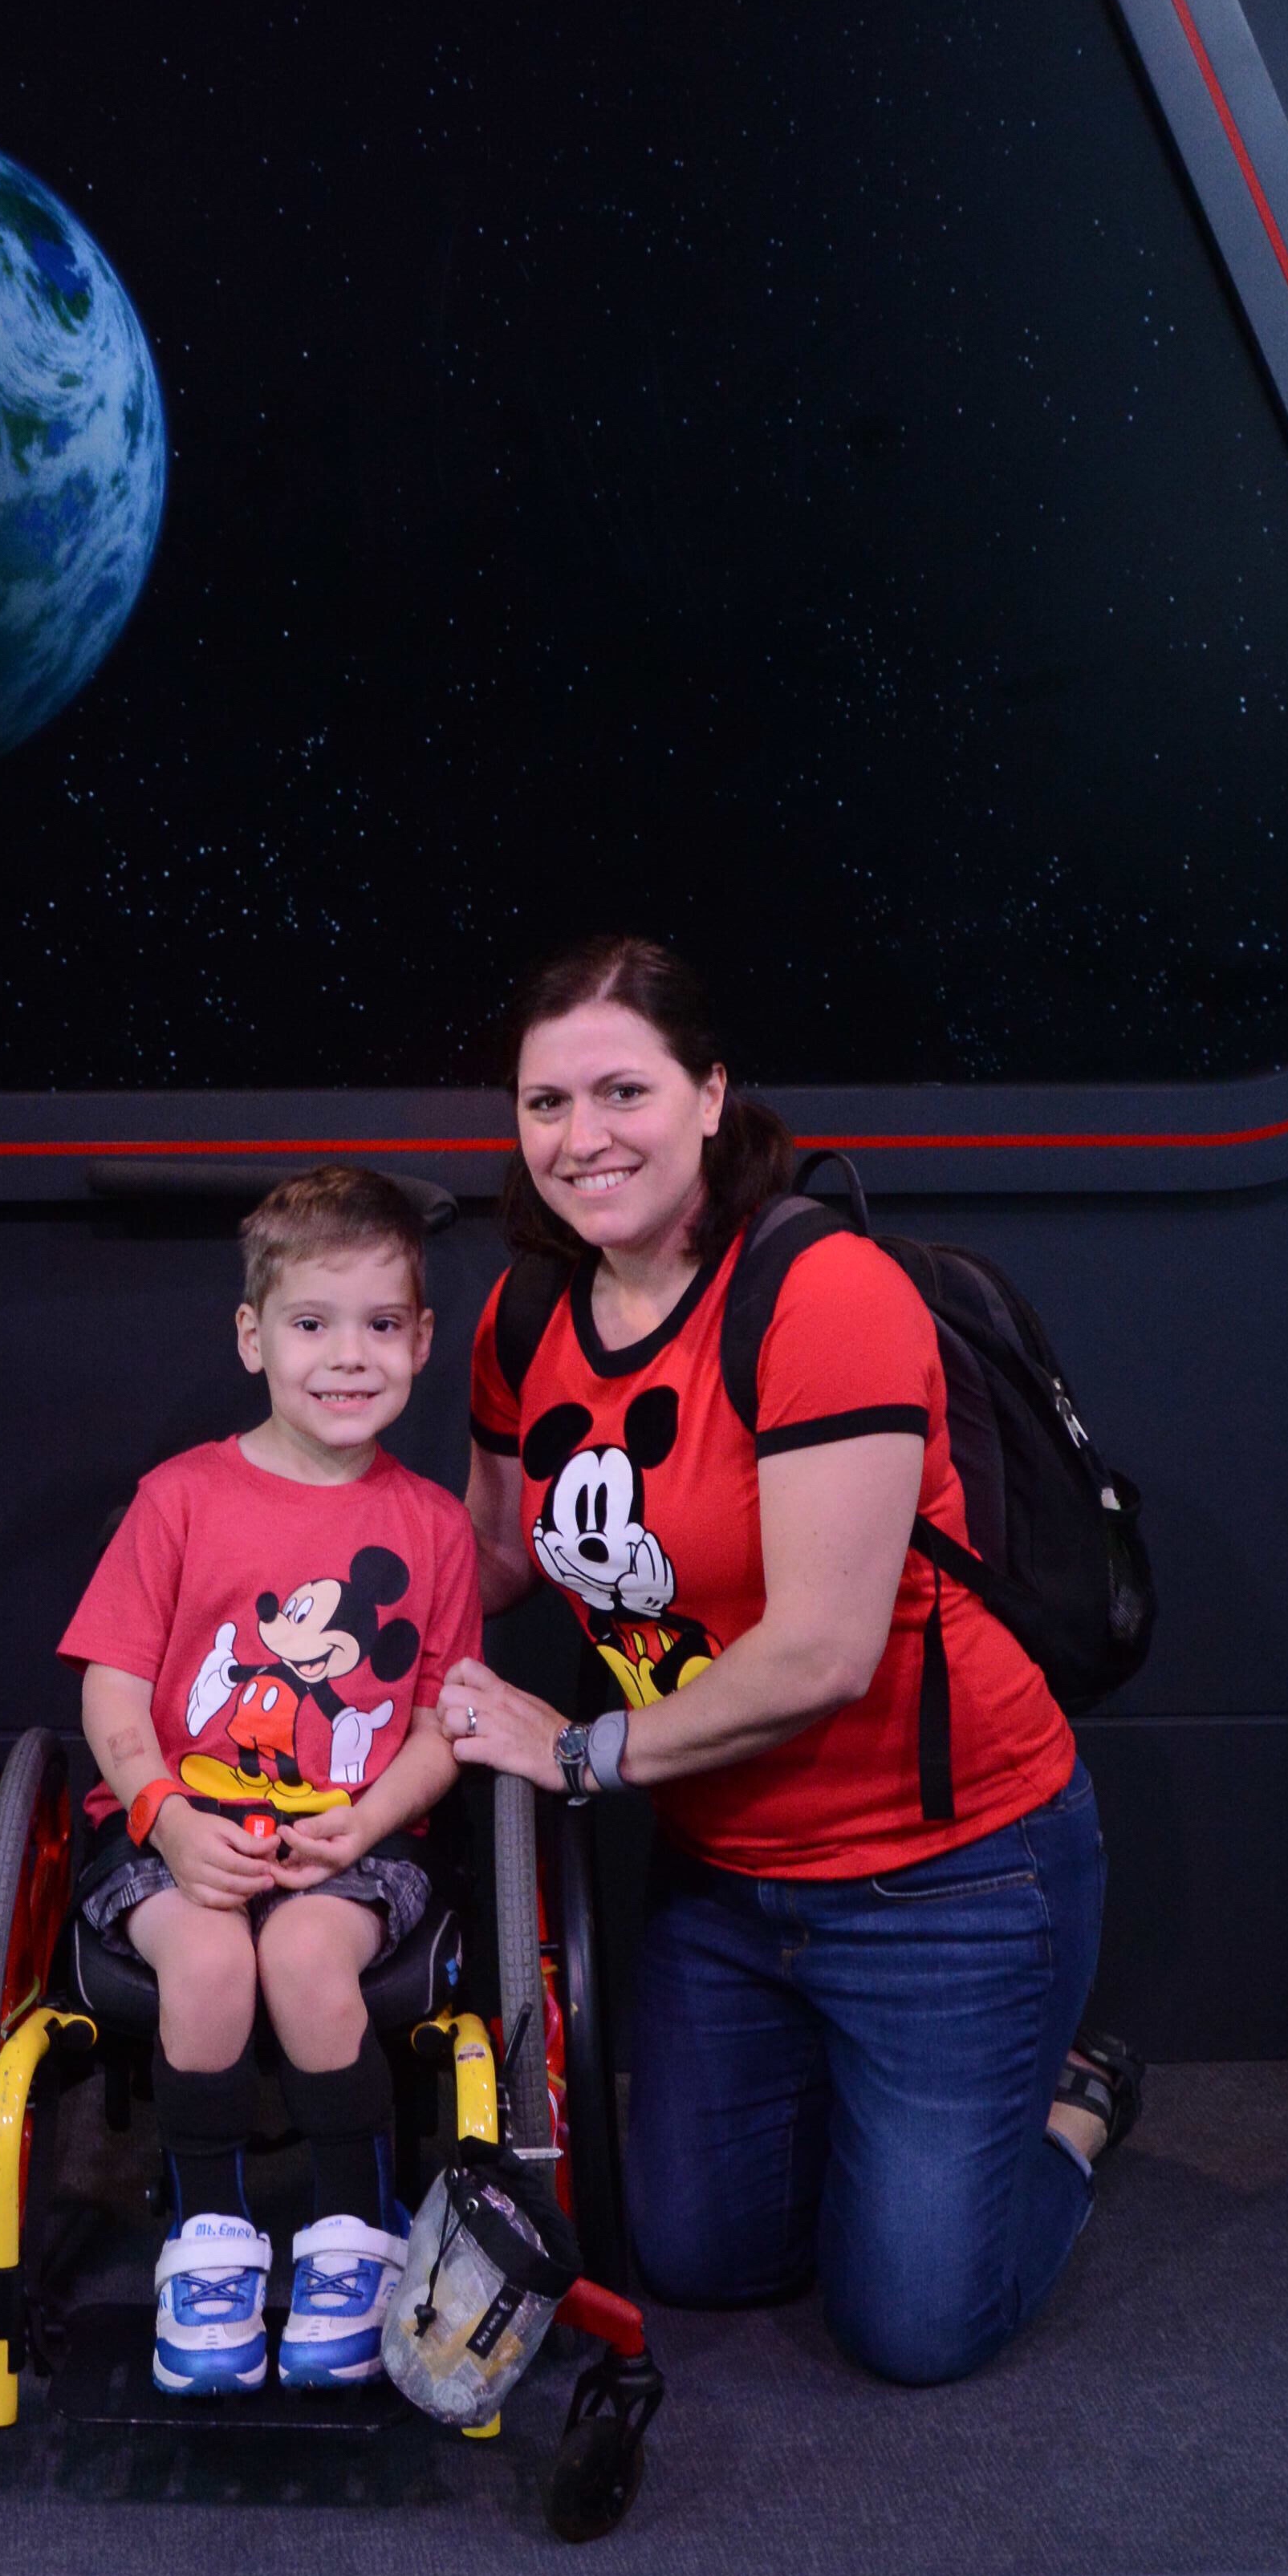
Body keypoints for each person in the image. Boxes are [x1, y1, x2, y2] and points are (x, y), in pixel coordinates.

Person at [441, 935, 1120, 2383]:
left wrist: (575, 1752)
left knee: (914, 2330)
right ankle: (887, 2122)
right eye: (546, 1103)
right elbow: (488, 1560)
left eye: (623, 1092)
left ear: (710, 1095)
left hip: (949, 1879)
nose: (581, 1137)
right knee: (698, 2260)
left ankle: (1068, 2115)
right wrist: (270, 1537)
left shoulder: (824, 1292)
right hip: (724, 1881)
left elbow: (819, 1652)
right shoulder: (525, 1312)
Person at [60, 1166, 480, 2396]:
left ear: (423, 1341)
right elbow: (111, 1694)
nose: (348, 1356)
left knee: (301, 1956)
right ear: (253, 1338)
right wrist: (166, 1819)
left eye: (382, 1325)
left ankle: (355, 2231)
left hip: (355, 1844)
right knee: (205, 1958)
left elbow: (440, 1728)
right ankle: (209, 2239)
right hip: (177, 1831)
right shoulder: (181, 1498)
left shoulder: (433, 1526)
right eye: (312, 1324)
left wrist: (367, 1820)